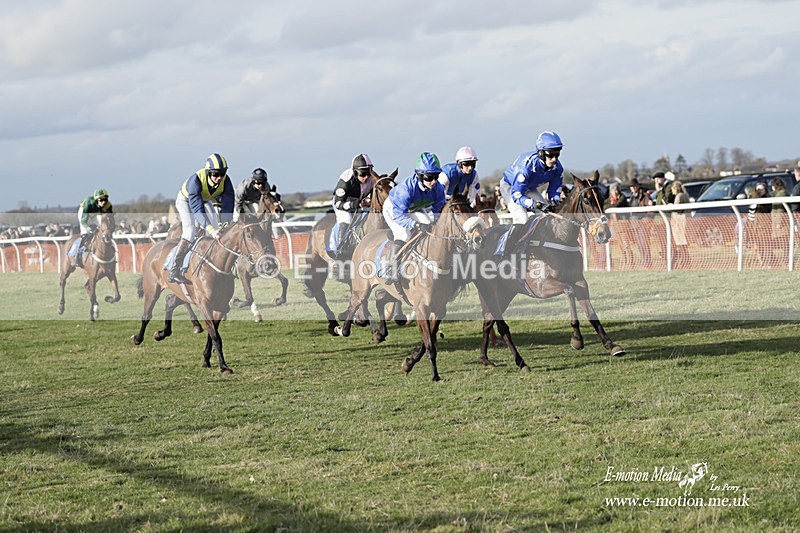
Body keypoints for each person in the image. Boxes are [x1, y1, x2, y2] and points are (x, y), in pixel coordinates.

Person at [169, 153, 234, 284]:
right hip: (186, 201)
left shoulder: (226, 181)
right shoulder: (196, 181)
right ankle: (174, 270)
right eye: (215, 174)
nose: (219, 178)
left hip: (205, 200)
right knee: (190, 231)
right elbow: (197, 210)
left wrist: (225, 224)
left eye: (222, 174)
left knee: (216, 231)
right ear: (208, 172)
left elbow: (228, 204)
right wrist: (211, 229)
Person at [382, 152, 446, 282]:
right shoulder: (406, 190)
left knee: (429, 222)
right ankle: (391, 269)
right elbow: (399, 216)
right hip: (394, 209)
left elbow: (437, 211)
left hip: (413, 208)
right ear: (420, 175)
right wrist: (415, 225)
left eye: (436, 176)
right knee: (404, 234)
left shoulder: (438, 189)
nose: (433, 181)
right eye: (429, 177)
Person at [499, 131, 565, 251]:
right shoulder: (525, 167)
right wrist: (534, 204)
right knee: (522, 218)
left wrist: (554, 203)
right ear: (540, 153)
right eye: (551, 155)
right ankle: (507, 249)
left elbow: (554, 190)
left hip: (529, 188)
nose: (554, 159)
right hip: (510, 187)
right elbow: (517, 195)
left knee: (545, 216)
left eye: (557, 154)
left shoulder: (557, 168)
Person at [330, 154, 375, 257]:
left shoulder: (372, 179)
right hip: (343, 203)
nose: (366, 177)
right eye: (363, 174)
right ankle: (341, 250)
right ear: (355, 172)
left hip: (358, 203)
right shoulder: (345, 179)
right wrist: (354, 204)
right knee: (347, 219)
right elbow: (338, 203)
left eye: (369, 172)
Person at [75, 188, 113, 267]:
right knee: (85, 234)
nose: (103, 202)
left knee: (104, 230)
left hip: (96, 213)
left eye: (105, 199)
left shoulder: (108, 205)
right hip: (84, 213)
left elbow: (109, 219)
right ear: (96, 199)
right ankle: (78, 256)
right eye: (101, 200)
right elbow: (83, 221)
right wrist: (88, 228)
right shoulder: (89, 203)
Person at [628, 178, 653, 267]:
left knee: (644, 243)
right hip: (634, 223)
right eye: (631, 186)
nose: (633, 188)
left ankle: (647, 261)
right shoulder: (632, 197)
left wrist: (646, 220)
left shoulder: (645, 195)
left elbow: (651, 209)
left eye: (634, 186)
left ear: (638, 186)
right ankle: (644, 259)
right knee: (639, 243)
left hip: (643, 223)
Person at [670, 180, 691, 269]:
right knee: (683, 242)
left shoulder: (679, 196)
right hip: (684, 221)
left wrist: (671, 206)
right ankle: (685, 260)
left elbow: (678, 209)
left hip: (679, 222)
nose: (672, 190)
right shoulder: (685, 195)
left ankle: (685, 260)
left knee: (680, 242)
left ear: (675, 188)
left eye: (672, 188)